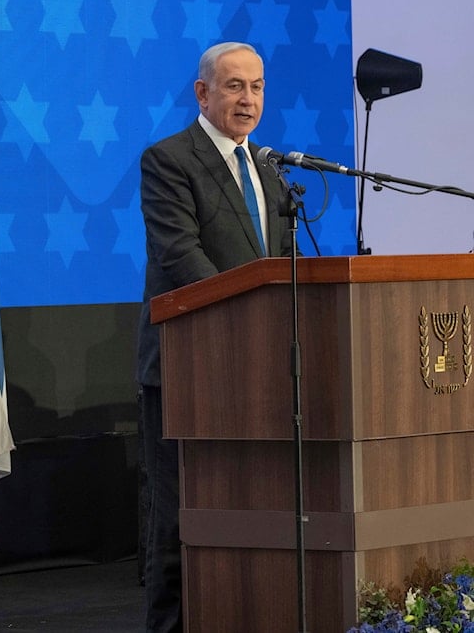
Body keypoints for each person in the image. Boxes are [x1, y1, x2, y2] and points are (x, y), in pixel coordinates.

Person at [136, 41, 297, 632]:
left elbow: (281, 263)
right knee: (178, 519)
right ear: (202, 93)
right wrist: (250, 318)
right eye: (234, 86)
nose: (247, 98)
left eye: (256, 86)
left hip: (256, 370)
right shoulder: (169, 159)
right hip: (186, 365)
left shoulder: (271, 170)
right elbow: (181, 256)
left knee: (251, 513)